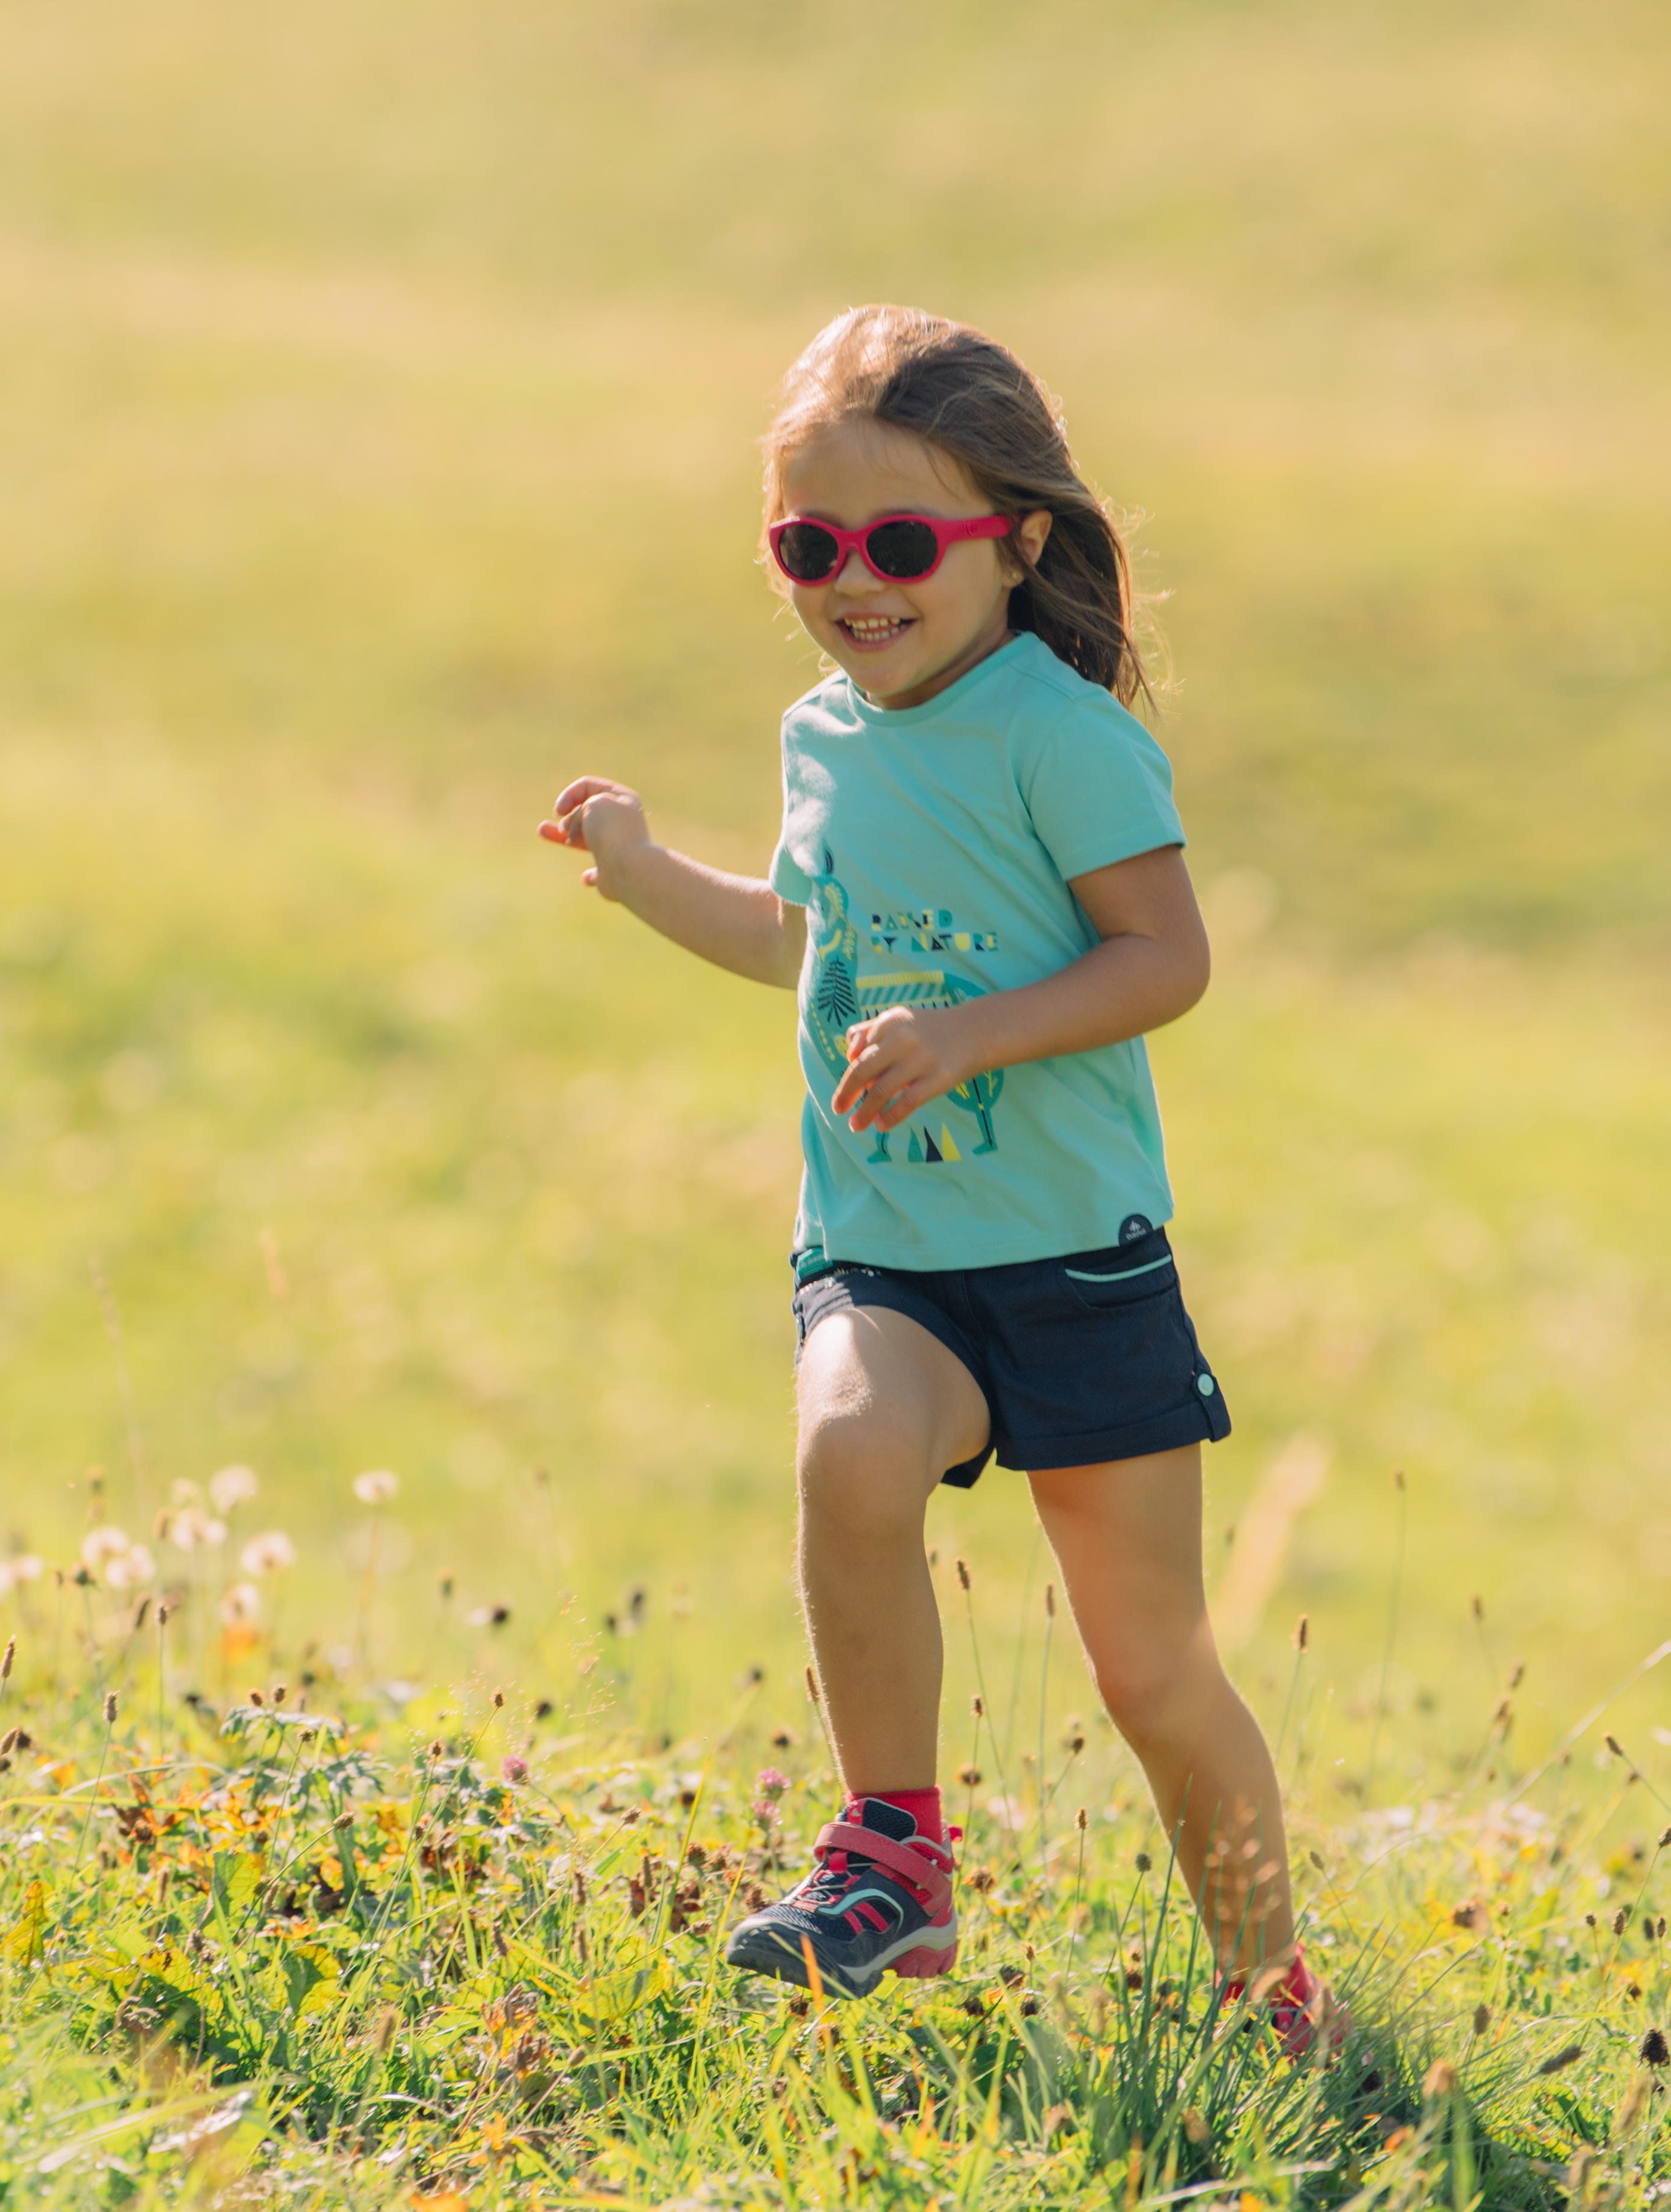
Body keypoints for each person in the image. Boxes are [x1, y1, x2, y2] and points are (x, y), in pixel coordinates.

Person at [539, 306, 1332, 2049]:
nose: (853, 582)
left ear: (1018, 542)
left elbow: (1164, 960)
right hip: (891, 1249)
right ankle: (893, 1858)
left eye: (902, 543)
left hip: (1077, 1266)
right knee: (846, 1446)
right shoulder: (823, 734)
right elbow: (798, 945)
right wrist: (642, 867)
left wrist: (970, 1037)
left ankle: (1273, 1993)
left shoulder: (1062, 737)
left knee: (1153, 1677)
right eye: (807, 547)